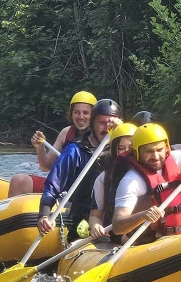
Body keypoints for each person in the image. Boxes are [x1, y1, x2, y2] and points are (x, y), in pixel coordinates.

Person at [36, 99, 123, 238]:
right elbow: (53, 183)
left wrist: (122, 133)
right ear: (92, 124)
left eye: (111, 123)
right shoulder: (75, 151)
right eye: (102, 123)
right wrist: (44, 215)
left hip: (118, 222)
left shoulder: (123, 150)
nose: (107, 128)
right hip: (84, 222)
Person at [7, 90, 96, 196]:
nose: (80, 117)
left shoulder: (100, 136)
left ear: (94, 115)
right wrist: (40, 148)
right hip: (60, 186)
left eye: (85, 113)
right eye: (76, 112)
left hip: (85, 191)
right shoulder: (66, 133)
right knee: (18, 181)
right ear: (71, 114)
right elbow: (46, 167)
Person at [86, 122, 137, 242]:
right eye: (120, 148)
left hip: (145, 233)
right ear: (114, 151)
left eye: (130, 148)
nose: (126, 152)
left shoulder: (151, 172)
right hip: (118, 236)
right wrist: (96, 226)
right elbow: (95, 215)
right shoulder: (104, 178)